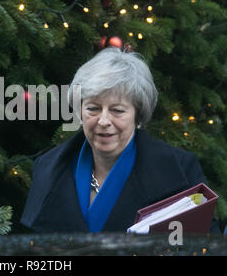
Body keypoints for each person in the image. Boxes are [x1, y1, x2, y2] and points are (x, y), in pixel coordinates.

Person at [20, 47, 220, 233]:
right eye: (93, 108)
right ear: (79, 110)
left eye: (117, 110)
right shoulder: (48, 168)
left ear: (138, 114)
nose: (104, 121)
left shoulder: (181, 170)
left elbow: (206, 247)